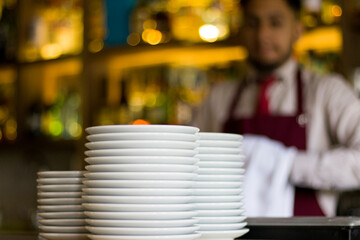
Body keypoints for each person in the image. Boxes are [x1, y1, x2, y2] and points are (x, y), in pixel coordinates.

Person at [192, 0, 360, 217]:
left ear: (297, 30)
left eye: (275, 23)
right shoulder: (218, 98)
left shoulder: (327, 91)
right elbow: (189, 166)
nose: (262, 35)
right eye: (253, 23)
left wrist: (286, 163)